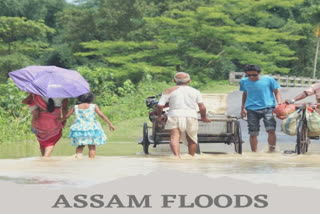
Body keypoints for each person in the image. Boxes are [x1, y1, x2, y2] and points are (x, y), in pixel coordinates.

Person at [157, 72, 211, 158]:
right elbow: (202, 107)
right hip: (191, 115)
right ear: (189, 81)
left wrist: (159, 116)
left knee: (175, 137)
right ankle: (191, 157)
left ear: (174, 80)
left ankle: (177, 157)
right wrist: (204, 117)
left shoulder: (168, 90)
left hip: (174, 115)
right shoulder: (195, 91)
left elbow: (160, 105)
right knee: (192, 138)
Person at [240, 64, 282, 152]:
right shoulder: (244, 81)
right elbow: (245, 93)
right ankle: (254, 153)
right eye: (249, 75)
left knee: (271, 130)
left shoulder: (269, 80)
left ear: (259, 73)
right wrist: (242, 107)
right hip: (251, 109)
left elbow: (276, 92)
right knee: (253, 133)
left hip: (268, 107)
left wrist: (279, 104)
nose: (252, 77)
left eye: (254, 75)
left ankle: (271, 151)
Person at [60, 93, 115, 158]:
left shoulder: (75, 107)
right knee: (92, 146)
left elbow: (67, 116)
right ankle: (91, 162)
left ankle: (77, 159)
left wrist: (60, 120)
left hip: (79, 129)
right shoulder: (93, 106)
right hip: (91, 128)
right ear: (90, 99)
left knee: (80, 145)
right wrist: (110, 124)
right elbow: (101, 115)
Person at [22, 93, 68, 157]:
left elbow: (29, 101)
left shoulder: (39, 91)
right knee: (51, 140)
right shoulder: (63, 93)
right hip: (54, 121)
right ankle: (45, 158)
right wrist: (64, 119)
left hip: (40, 121)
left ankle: (43, 160)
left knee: (43, 141)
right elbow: (65, 108)